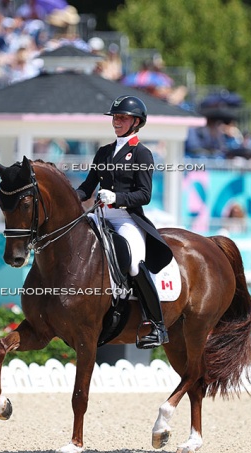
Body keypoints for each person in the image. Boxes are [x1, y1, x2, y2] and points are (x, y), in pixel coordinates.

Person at [76, 95, 173, 349]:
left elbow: (145, 194)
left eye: (122, 118)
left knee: (132, 264)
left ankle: (158, 324)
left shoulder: (142, 153)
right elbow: (87, 187)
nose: (117, 121)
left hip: (126, 219)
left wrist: (117, 197)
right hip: (100, 217)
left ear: (136, 122)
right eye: (115, 117)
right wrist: (68, 200)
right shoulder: (104, 152)